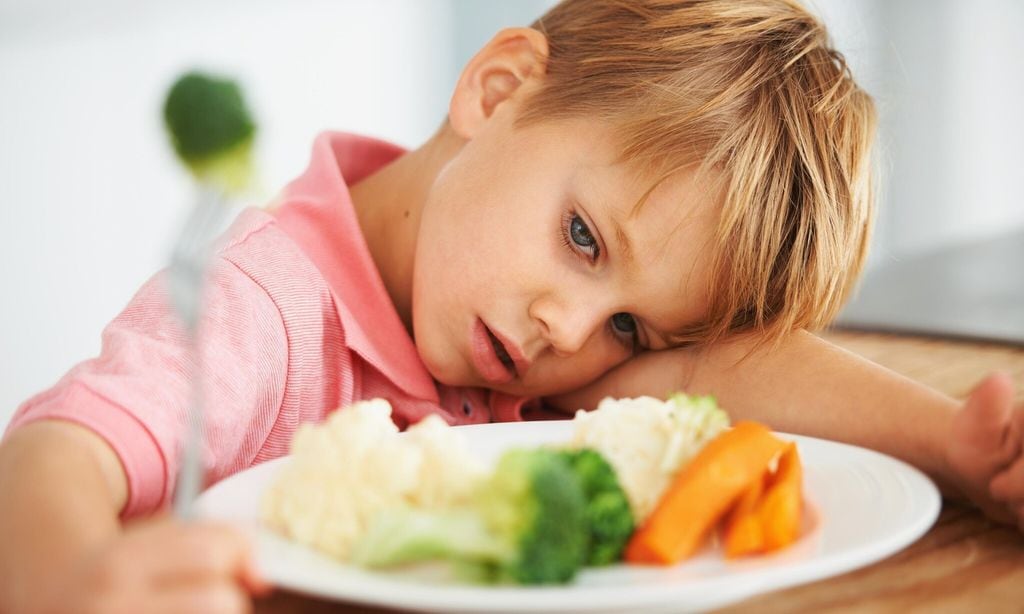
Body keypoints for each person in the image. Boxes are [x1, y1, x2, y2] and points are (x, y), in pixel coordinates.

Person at [2, 0, 1022, 612]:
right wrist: (67, 577)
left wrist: (950, 442)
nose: (570, 332)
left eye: (631, 329)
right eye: (582, 238)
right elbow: (53, 452)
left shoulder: (534, 341)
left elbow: (724, 369)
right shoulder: (264, 303)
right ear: (497, 91)